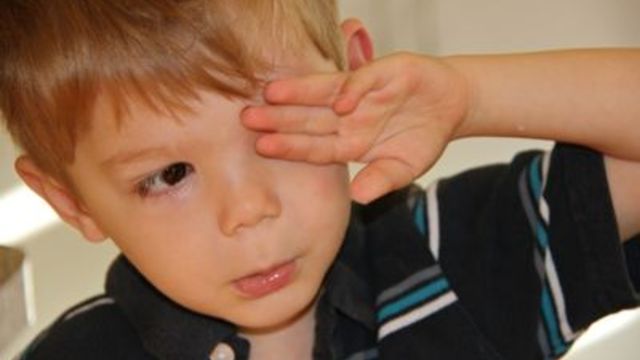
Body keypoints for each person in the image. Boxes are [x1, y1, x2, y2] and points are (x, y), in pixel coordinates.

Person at [0, 0, 638, 359]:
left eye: (280, 131)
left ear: (352, 78)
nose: (248, 210)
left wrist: (473, 96)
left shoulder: (450, 257)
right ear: (71, 200)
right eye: (169, 175)